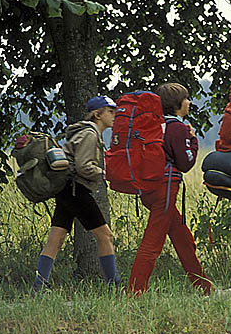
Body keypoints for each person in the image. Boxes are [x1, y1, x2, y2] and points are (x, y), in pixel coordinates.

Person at [127, 83, 214, 296]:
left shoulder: (153, 125)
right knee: (153, 241)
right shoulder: (178, 128)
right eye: (186, 99)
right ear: (178, 104)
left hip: (147, 188)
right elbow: (185, 163)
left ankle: (204, 288)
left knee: (182, 238)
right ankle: (135, 291)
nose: (189, 103)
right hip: (165, 188)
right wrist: (192, 141)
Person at [32, 96, 121, 295]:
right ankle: (114, 288)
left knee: (56, 237)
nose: (114, 115)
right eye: (110, 111)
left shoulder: (85, 132)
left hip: (66, 189)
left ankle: (39, 286)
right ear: (98, 114)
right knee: (105, 236)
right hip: (76, 190)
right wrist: (104, 174)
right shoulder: (90, 134)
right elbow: (83, 166)